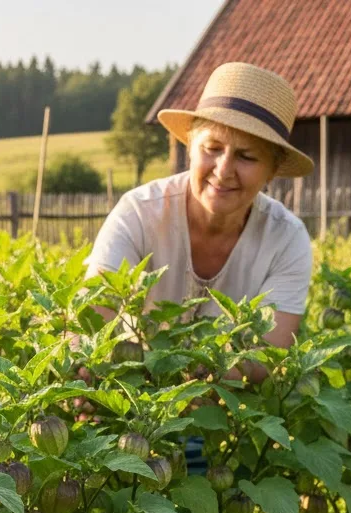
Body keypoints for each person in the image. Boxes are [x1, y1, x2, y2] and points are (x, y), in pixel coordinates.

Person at [85, 62, 315, 378]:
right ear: (191, 147)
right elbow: (92, 319)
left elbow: (267, 354)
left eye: (246, 156)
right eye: (212, 148)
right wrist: (85, 371)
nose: (223, 170)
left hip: (225, 407)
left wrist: (188, 382)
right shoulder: (139, 213)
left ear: (272, 171)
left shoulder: (286, 239)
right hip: (133, 391)